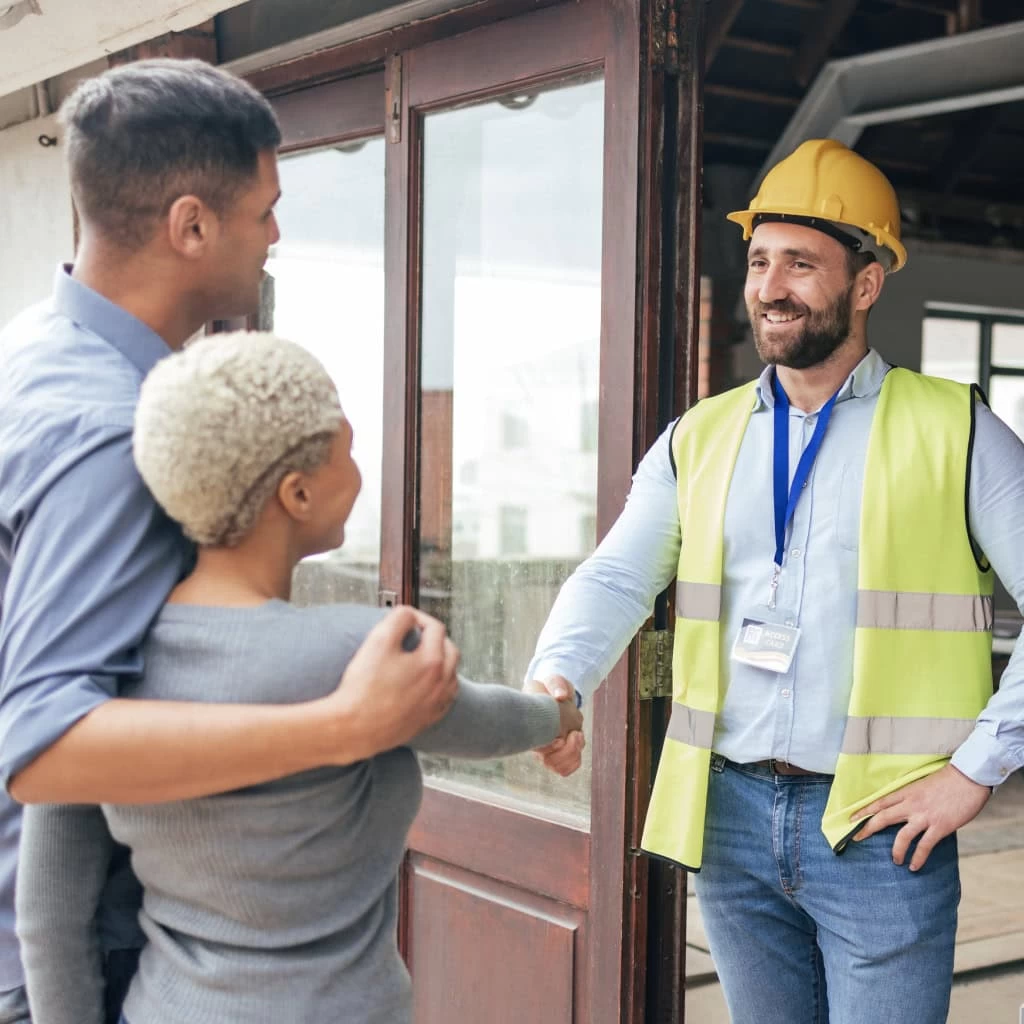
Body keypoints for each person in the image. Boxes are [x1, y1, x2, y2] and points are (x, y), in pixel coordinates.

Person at [0, 59, 462, 1024]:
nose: (277, 236)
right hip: (77, 961)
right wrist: (345, 727)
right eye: (265, 209)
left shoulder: (31, 352)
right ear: (191, 224)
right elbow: (42, 745)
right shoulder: (106, 433)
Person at [525, 139, 1024, 1022]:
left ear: (865, 284)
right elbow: (616, 574)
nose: (769, 286)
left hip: (883, 828)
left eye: (801, 263)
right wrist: (557, 676)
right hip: (731, 817)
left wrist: (978, 768)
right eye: (759, 261)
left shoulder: (959, 431)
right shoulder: (700, 435)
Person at [19, 330, 582, 1023]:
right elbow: (490, 723)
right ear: (297, 491)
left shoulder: (102, 673)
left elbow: (48, 912)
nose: (360, 468)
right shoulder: (361, 653)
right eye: (346, 448)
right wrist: (557, 713)